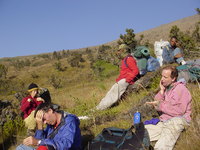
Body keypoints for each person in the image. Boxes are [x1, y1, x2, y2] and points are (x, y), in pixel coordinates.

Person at [145, 66, 192, 150]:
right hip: (165, 121)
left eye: (165, 77)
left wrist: (160, 105)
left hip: (178, 120)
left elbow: (179, 111)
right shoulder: (167, 88)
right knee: (142, 133)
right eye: (162, 76)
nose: (162, 79)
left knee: (162, 145)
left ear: (173, 78)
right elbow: (157, 103)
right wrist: (161, 91)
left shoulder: (180, 89)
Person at [16, 103, 82, 150]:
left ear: (50, 110)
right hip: (48, 148)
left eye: (44, 119)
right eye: (42, 120)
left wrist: (39, 142)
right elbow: (40, 141)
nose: (44, 122)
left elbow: (65, 145)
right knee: (20, 148)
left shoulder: (69, 121)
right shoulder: (51, 124)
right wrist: (40, 125)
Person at [96, 44, 139, 110]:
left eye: (120, 51)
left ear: (124, 50)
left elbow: (135, 70)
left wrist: (127, 79)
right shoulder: (124, 59)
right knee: (110, 93)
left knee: (113, 95)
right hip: (122, 80)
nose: (118, 53)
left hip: (125, 81)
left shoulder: (129, 59)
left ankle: (101, 108)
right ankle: (99, 107)